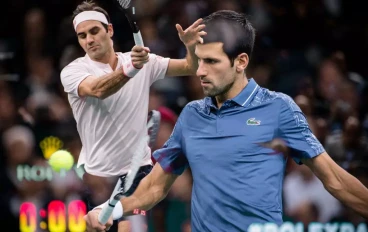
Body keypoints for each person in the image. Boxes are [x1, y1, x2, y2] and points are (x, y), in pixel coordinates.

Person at [84, 10, 368, 232]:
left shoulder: (279, 108)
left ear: (241, 61)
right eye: (198, 60)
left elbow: (335, 180)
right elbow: (155, 187)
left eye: (212, 61)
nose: (200, 71)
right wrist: (110, 210)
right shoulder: (192, 115)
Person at [60, 1, 206, 231]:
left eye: (94, 31)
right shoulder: (73, 71)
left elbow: (190, 67)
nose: (88, 40)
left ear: (109, 30)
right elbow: (98, 90)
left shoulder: (142, 62)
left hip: (138, 174)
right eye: (82, 35)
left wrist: (190, 47)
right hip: (98, 179)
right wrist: (131, 69)